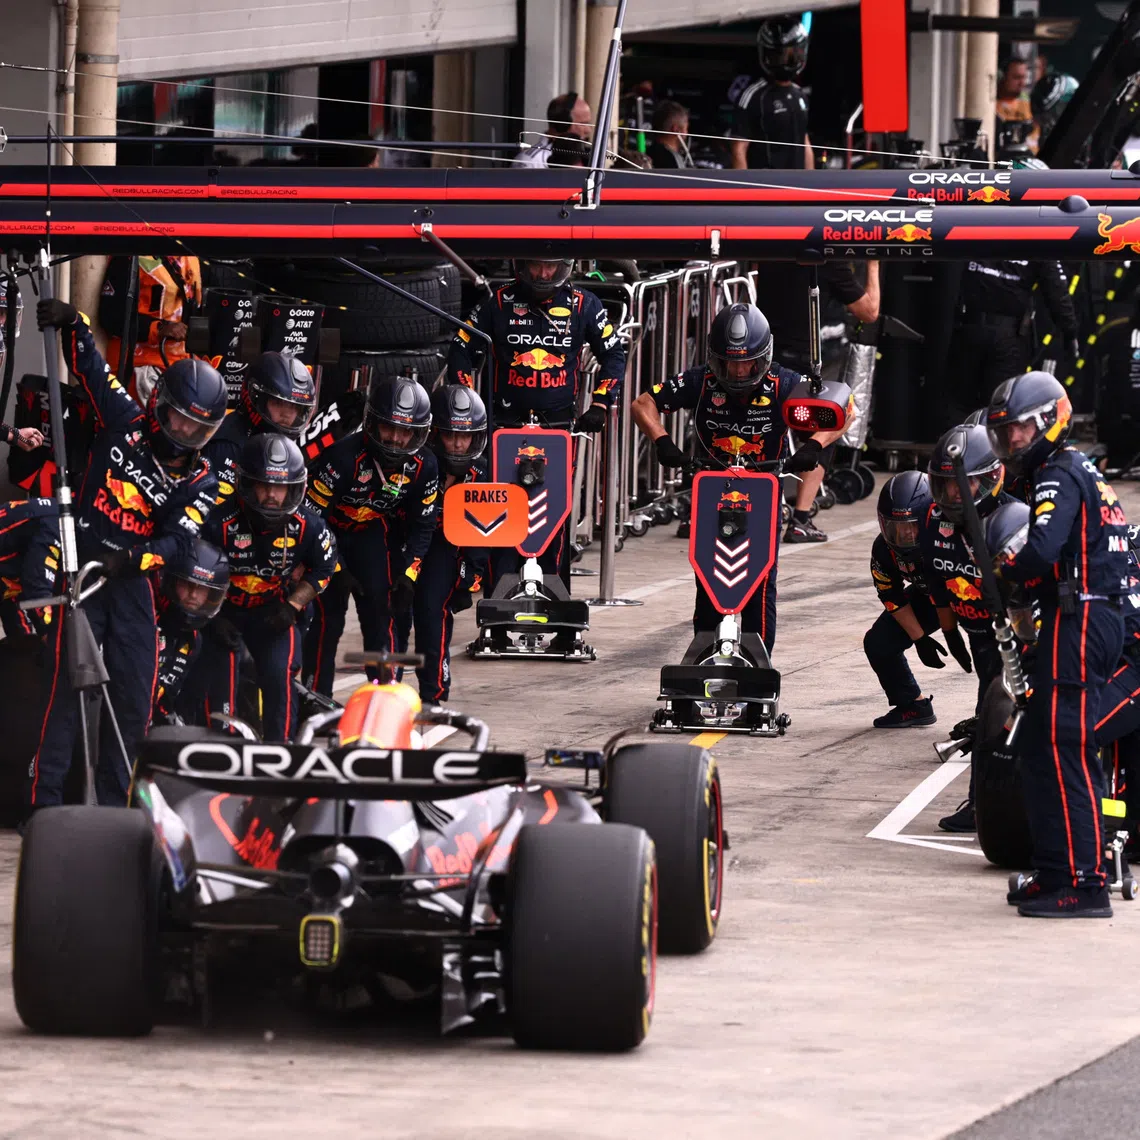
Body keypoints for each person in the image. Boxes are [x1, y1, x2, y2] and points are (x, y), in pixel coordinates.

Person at [29, 298, 225, 809]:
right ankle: (44, 802)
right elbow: (90, 368)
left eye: (196, 429)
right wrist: (75, 322)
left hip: (133, 583)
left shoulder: (204, 479)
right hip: (82, 574)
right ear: (160, 406)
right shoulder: (125, 421)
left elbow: (179, 541)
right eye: (179, 422)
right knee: (67, 694)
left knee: (136, 696)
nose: (183, 437)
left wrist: (133, 561)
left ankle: (118, 806)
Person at [988, 372, 1130, 917]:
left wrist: (1005, 573)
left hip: (1085, 617)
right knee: (1039, 748)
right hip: (1083, 617)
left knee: (1066, 748)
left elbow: (1040, 550)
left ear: (1049, 420)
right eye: (1007, 433)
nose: (1014, 441)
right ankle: (1054, 871)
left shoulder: (1060, 472)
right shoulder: (1075, 469)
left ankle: (1086, 884)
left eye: (1021, 429)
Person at [631, 303, 840, 656]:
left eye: (747, 363)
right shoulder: (700, 380)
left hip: (762, 492)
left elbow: (841, 410)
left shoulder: (784, 382)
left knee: (760, 581)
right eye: (730, 362)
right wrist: (662, 441)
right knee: (708, 576)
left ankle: (758, 661)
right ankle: (705, 654)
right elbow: (642, 404)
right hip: (711, 490)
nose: (739, 371)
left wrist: (814, 445)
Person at [446, 258, 624, 589]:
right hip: (504, 426)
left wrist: (600, 402)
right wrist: (467, 403)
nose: (544, 274)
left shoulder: (585, 304)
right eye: (537, 266)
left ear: (564, 268)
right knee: (501, 511)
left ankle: (554, 589)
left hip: (558, 429)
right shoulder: (497, 301)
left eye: (551, 267)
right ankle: (500, 591)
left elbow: (614, 355)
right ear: (522, 266)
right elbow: (459, 348)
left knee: (554, 513)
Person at [304, 376, 439, 696]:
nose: (395, 439)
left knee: (386, 608)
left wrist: (409, 574)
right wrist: (335, 569)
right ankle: (314, 696)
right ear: (372, 424)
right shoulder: (341, 457)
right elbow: (311, 520)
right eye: (388, 428)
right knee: (327, 619)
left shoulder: (425, 466)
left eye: (405, 432)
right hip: (327, 534)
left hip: (370, 535)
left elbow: (423, 525)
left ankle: (386, 692)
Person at [202, 434, 336, 741]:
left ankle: (282, 752)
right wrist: (210, 617)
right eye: (265, 486)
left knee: (279, 676)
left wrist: (293, 606)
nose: (273, 496)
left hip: (274, 614)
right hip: (224, 615)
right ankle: (223, 749)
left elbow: (325, 568)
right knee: (221, 675)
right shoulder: (215, 523)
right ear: (247, 484)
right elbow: (189, 573)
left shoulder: (310, 527)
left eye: (282, 488)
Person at [919, 424, 1013, 833]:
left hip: (1014, 641)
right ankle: (986, 804)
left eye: (962, 484)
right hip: (976, 636)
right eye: (944, 484)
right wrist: (949, 631)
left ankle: (985, 806)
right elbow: (937, 582)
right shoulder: (930, 522)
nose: (952, 494)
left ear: (990, 478)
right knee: (988, 719)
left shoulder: (1013, 520)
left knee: (993, 723)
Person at [750, 260, 880, 543]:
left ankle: (755, 508)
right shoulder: (828, 262)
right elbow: (870, 311)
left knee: (762, 428)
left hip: (768, 360)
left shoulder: (775, 252)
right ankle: (800, 518)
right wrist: (873, 264)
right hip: (804, 369)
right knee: (842, 416)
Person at [398, 385, 489, 703]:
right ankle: (388, 685)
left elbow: (482, 530)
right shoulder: (413, 463)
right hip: (404, 539)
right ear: (435, 433)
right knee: (396, 609)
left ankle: (434, 693)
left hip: (445, 543)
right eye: (451, 435)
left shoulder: (481, 471)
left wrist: (471, 576)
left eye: (466, 436)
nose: (460, 444)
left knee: (432, 609)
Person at [864, 472, 973, 727]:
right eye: (895, 527)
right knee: (879, 642)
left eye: (912, 526)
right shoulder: (883, 550)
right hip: (932, 596)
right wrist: (920, 639)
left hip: (972, 593)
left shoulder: (956, 537)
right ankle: (912, 705)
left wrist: (953, 632)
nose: (905, 536)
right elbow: (890, 595)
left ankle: (997, 714)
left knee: (988, 651)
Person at [944, 259, 1078, 428]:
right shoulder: (1040, 236)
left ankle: (958, 449)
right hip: (1008, 336)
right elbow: (1056, 291)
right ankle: (991, 451)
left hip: (969, 327)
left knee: (960, 403)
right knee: (1001, 407)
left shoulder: (973, 231)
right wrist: (1070, 332)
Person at [203, 350, 317, 501]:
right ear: (256, 398)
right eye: (278, 403)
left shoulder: (292, 444)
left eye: (294, 407)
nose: (287, 414)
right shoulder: (226, 445)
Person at [100, 255, 203, 404]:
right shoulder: (129, 257)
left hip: (181, 361)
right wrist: (160, 329)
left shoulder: (191, 257)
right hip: (139, 363)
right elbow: (110, 316)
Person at [152, 540, 228, 725]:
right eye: (187, 585)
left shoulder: (195, 639)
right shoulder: (146, 621)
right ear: (170, 581)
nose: (193, 595)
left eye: (202, 588)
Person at [730, 16, 813, 171]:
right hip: (768, 189)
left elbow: (804, 142)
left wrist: (813, 184)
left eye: (791, 54)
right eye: (780, 55)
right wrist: (744, 192)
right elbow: (738, 149)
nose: (786, 61)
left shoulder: (800, 95)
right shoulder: (753, 97)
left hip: (798, 188)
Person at [0, 497, 61, 638]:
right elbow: (38, 585)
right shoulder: (57, 522)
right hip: (11, 573)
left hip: (10, 578)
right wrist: (49, 634)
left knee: (22, 644)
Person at [515, 92, 592, 170]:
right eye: (583, 124)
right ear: (563, 123)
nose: (588, 130)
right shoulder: (530, 162)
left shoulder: (586, 158)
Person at [647, 100, 692, 170]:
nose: (687, 133)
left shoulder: (647, 155)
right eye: (686, 128)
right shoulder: (673, 161)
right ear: (676, 130)